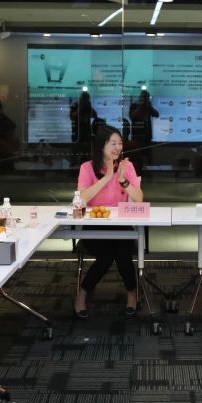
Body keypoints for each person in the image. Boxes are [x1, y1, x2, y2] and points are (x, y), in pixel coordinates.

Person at [73, 126, 144, 319]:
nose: (118, 147)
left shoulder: (127, 166)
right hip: (94, 225)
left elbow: (139, 199)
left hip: (121, 225)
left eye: (120, 143)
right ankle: (82, 295)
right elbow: (82, 199)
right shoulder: (87, 167)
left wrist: (122, 180)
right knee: (106, 256)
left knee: (122, 254)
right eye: (113, 143)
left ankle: (132, 295)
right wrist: (107, 177)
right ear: (101, 145)